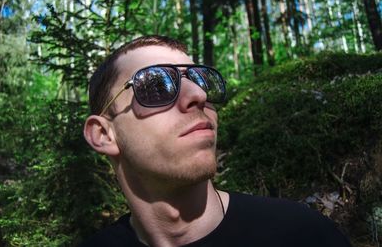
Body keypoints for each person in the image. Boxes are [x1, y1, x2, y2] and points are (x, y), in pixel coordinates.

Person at [81, 35, 351, 247]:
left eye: (201, 79)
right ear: (104, 134)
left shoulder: (302, 235)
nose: (199, 93)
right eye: (155, 85)